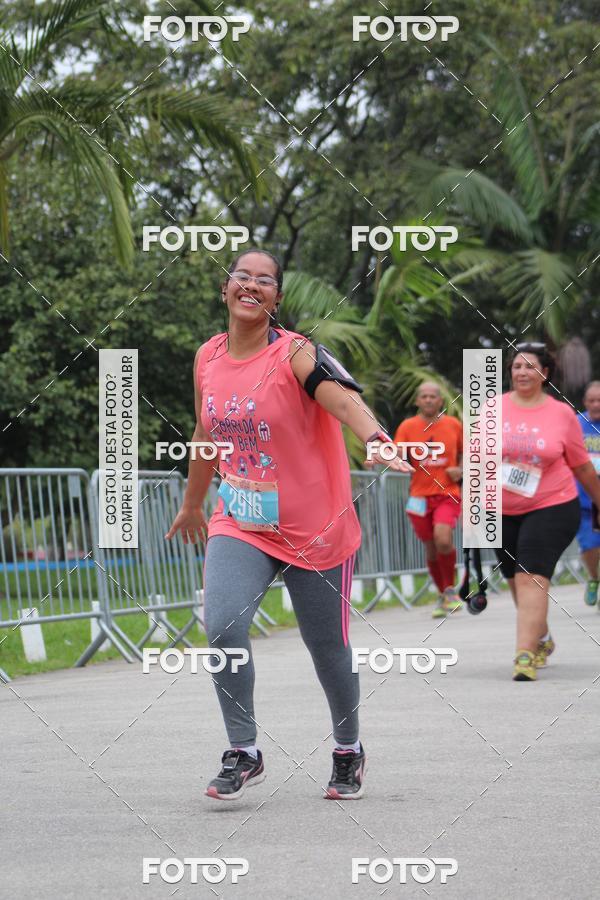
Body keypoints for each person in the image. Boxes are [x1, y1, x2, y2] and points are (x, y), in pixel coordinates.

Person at [165, 248, 411, 801]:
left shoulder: (295, 353)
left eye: (265, 281)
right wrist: (192, 504)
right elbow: (208, 434)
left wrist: (377, 438)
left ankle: (348, 750)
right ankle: (243, 750)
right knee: (223, 627)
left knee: (328, 648)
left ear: (277, 298)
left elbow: (345, 402)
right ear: (226, 288)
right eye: (241, 276)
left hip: (317, 527)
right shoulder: (207, 356)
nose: (251, 285)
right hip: (244, 519)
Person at [496, 343, 600, 681]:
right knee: (513, 578)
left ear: (545, 373)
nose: (522, 372)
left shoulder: (562, 414)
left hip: (552, 504)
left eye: (529, 366)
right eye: (516, 367)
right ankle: (540, 637)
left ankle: (523, 655)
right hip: (503, 508)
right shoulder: (492, 409)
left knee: (532, 575)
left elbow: (583, 468)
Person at [393, 382, 463, 618]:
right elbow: (397, 454)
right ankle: (443, 593)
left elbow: (470, 453)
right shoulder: (407, 426)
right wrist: (385, 457)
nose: (429, 400)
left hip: (447, 494)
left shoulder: (453, 425)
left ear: (441, 401)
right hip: (419, 497)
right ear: (417, 401)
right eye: (424, 396)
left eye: (433, 396)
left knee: (443, 539)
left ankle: (451, 590)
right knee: (431, 548)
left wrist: (460, 469)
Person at [575, 381, 600, 606]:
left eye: (599, 400)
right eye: (591, 401)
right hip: (584, 500)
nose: (595, 405)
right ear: (584, 402)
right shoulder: (576, 424)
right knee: (591, 546)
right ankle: (594, 578)